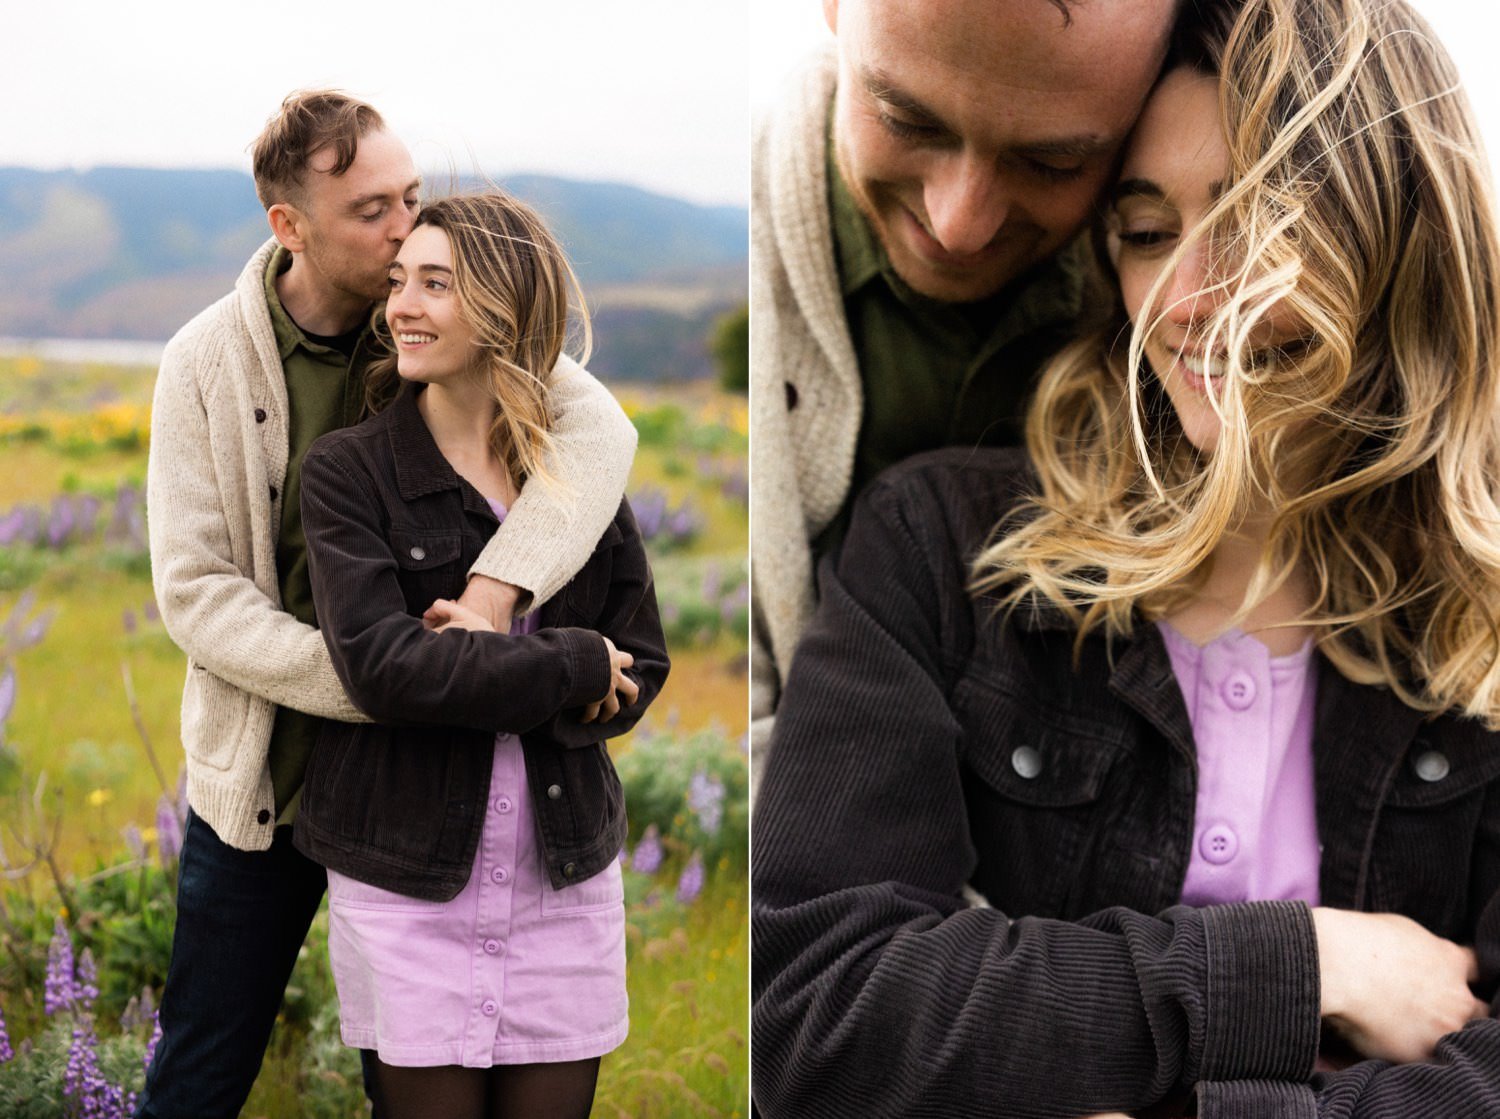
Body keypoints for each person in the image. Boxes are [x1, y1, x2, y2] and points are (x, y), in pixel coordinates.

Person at [753, 0, 1500, 1115]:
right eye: (1148, 232)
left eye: (1259, 222)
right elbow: (817, 1009)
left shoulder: (1474, 606)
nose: (1194, 301)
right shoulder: (952, 547)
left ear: (1396, 229)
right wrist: (1299, 966)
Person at [142, 92, 637, 1119]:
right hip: (271, 779)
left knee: (412, 1081)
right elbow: (196, 595)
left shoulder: (419, 320)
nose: (405, 227)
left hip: (424, 786)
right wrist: (391, 681)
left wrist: (497, 594)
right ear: (292, 226)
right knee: (201, 1069)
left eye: (411, 198)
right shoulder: (206, 362)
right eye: (373, 210)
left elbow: (600, 432)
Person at [293, 191, 668, 1119]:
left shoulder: (575, 480)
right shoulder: (350, 472)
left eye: (436, 285)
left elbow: (644, 661)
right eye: (398, 283)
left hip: (563, 879)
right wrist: (574, 668)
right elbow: (385, 671)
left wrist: (573, 678)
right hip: (407, 877)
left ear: (505, 307)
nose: (402, 308)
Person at [750, 0, 1187, 772]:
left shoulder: (1190, 307)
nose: (960, 224)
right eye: (907, 121)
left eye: (1053, 164)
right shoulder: (744, 248)